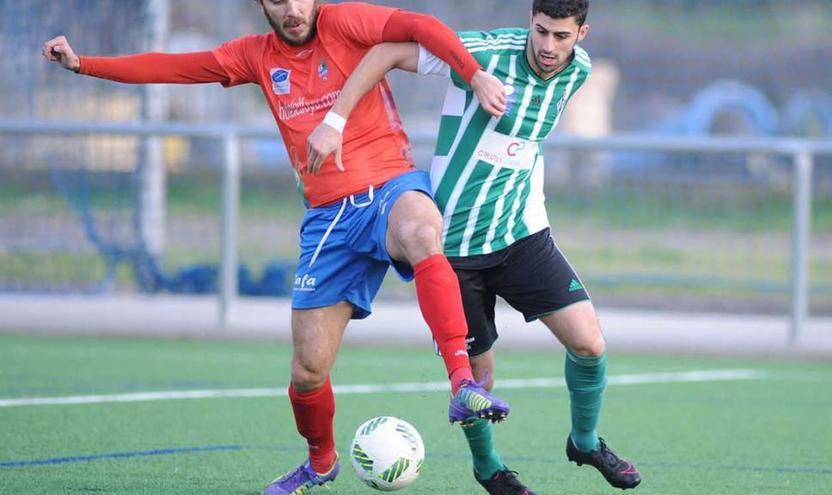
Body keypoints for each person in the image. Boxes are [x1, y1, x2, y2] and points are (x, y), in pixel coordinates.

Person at [41, 1, 514, 494]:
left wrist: (475, 74)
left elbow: (420, 26)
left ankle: (462, 383)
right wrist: (84, 64)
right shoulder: (255, 56)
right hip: (328, 220)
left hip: (390, 190)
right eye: (276, 0)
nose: (291, 9)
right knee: (308, 373)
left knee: (421, 230)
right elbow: (174, 67)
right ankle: (321, 462)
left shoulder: (343, 22)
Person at [306, 1, 642, 493]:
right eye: (541, 31)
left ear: (581, 34)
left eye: (561, 37)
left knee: (590, 344)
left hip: (521, 236)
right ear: (531, 21)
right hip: (454, 253)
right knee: (478, 381)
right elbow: (382, 53)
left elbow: (524, 144)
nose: (548, 47)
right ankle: (489, 468)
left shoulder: (580, 72)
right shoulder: (482, 54)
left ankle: (585, 441)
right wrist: (335, 121)